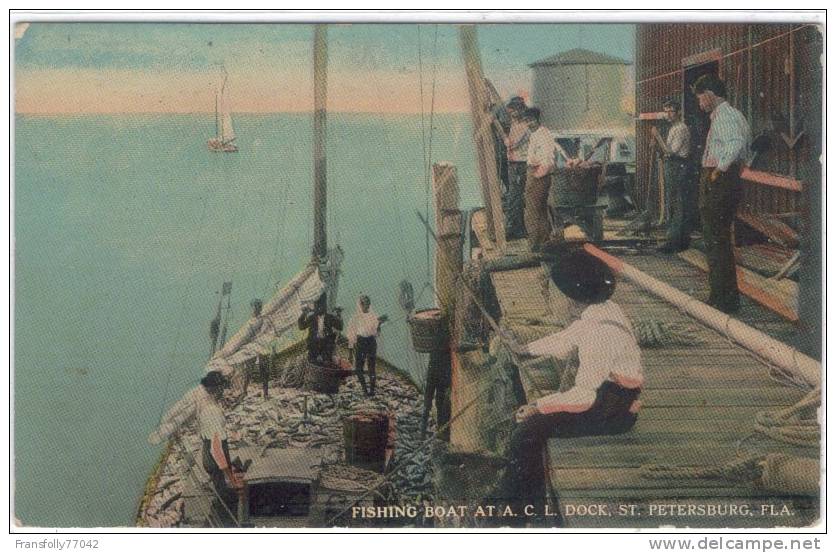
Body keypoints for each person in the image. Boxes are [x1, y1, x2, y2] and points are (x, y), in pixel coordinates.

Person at [496, 248, 643, 526]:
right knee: (532, 427)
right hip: (612, 399)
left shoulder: (599, 334)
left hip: (611, 411)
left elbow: (583, 397)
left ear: (573, 298)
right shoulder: (604, 311)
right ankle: (518, 504)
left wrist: (538, 406)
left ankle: (527, 513)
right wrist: (525, 348)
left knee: (527, 432)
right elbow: (567, 339)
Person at [694, 74, 751, 313]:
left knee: (716, 239)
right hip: (722, 180)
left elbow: (736, 143)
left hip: (719, 181)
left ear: (710, 94)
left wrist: (718, 170)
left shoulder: (725, 116)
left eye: (700, 98)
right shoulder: (731, 115)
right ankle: (722, 296)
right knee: (718, 239)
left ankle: (723, 300)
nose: (699, 103)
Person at [196, 371, 244, 525]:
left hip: (208, 456)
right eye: (222, 387)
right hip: (215, 461)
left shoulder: (204, 404)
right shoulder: (213, 412)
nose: (224, 390)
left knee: (219, 489)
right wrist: (231, 478)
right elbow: (216, 451)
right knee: (225, 496)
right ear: (217, 388)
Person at [654, 99, 693, 253]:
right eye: (666, 111)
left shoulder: (681, 128)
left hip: (678, 166)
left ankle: (676, 242)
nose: (668, 114)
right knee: (673, 201)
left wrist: (657, 137)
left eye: (671, 111)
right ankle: (676, 240)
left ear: (678, 113)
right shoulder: (673, 128)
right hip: (673, 166)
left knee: (677, 203)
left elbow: (671, 152)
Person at [523, 107, 557, 251]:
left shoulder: (543, 135)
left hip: (538, 173)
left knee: (532, 211)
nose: (529, 124)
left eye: (531, 120)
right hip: (534, 171)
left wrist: (538, 175)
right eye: (527, 121)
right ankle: (543, 242)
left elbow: (548, 159)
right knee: (540, 210)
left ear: (537, 120)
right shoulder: (535, 134)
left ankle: (536, 244)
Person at [347, 295, 388, 396]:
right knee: (358, 369)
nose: (367, 305)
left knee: (371, 367)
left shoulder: (374, 316)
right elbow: (351, 335)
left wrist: (379, 325)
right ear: (360, 304)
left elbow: (376, 334)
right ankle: (365, 390)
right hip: (360, 342)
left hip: (371, 342)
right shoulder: (355, 318)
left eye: (368, 303)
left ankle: (372, 391)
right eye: (364, 303)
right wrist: (350, 352)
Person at [503, 97, 529, 240]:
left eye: (513, 111)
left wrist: (503, 137)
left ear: (520, 110)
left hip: (520, 164)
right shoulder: (515, 123)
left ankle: (514, 228)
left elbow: (511, 143)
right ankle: (518, 228)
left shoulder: (524, 126)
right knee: (515, 196)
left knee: (515, 196)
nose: (511, 114)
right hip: (514, 163)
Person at [298, 294, 343, 364]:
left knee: (326, 362)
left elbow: (340, 327)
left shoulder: (330, 317)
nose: (319, 308)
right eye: (317, 306)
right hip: (314, 345)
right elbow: (301, 327)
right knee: (312, 362)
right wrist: (304, 314)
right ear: (315, 307)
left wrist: (339, 314)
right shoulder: (312, 318)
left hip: (326, 345)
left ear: (325, 307)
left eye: (321, 306)